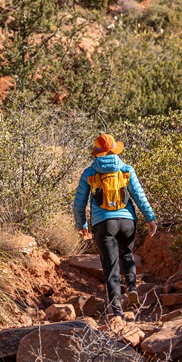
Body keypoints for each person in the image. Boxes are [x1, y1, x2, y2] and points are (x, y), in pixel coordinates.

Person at [73, 133, 157, 319]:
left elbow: (79, 203)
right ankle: (132, 287)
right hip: (127, 222)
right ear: (114, 149)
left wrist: (82, 224)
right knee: (127, 254)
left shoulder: (89, 172)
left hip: (103, 224)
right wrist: (150, 218)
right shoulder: (126, 169)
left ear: (98, 151)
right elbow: (139, 196)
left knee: (110, 266)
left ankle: (117, 310)